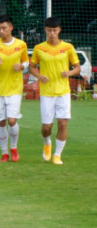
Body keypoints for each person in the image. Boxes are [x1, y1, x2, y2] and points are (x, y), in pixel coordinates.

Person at [29, 17, 81, 165]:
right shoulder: (39, 48)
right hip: (46, 93)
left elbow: (77, 67)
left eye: (54, 30)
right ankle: (47, 143)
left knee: (63, 123)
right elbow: (32, 67)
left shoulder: (68, 47)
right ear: (45, 30)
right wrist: (39, 76)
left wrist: (69, 73)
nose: (52, 33)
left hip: (63, 92)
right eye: (49, 30)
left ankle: (57, 155)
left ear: (59, 30)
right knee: (47, 127)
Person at [0, 15, 29, 162]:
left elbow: (26, 62)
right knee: (1, 122)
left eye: (4, 28)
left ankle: (14, 148)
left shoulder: (21, 44)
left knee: (11, 120)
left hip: (15, 88)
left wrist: (22, 66)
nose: (1, 31)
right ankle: (4, 153)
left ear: (11, 28)